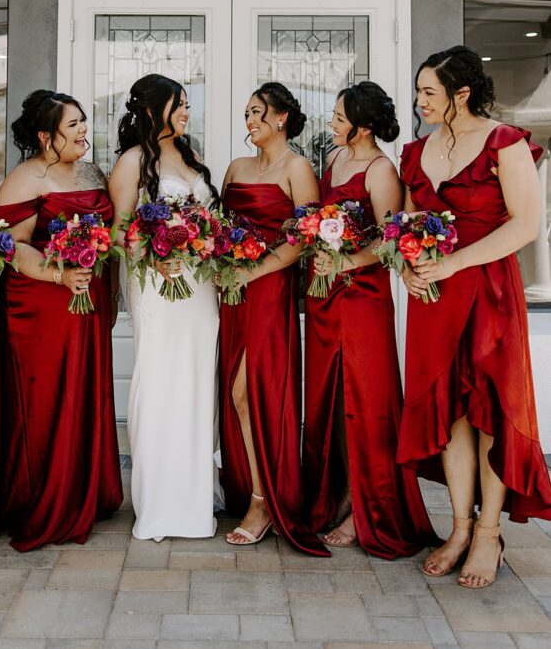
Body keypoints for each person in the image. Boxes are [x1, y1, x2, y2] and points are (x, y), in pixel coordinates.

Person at [398, 45, 551, 588]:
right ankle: (459, 528)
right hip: (434, 301)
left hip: (488, 292)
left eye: (429, 93)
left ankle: (489, 531)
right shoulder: (415, 152)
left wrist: (454, 262)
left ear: (462, 94)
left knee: (488, 409)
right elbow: (409, 226)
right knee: (450, 413)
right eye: (418, 92)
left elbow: (526, 225)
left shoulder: (504, 143)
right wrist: (409, 268)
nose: (419, 103)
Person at [303, 82, 436, 558]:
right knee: (331, 400)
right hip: (324, 297)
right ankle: (340, 492)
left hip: (362, 298)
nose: (332, 125)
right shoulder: (336, 160)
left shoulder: (381, 170)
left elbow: (389, 239)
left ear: (362, 125)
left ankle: (369, 509)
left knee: (366, 400)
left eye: (339, 118)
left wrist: (343, 263)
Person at [0, 89, 122, 550]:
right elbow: (13, 247)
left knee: (84, 390)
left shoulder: (90, 171)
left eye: (83, 122)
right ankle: (44, 496)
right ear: (46, 136)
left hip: (88, 298)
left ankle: (86, 488)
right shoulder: (24, 179)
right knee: (48, 397)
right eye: (74, 126)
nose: (84, 131)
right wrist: (59, 274)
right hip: (43, 303)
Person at [108, 74, 220, 541]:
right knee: (161, 381)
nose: (186, 113)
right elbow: (118, 231)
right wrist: (156, 254)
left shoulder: (190, 155)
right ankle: (161, 503)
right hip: (159, 286)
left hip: (201, 288)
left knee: (198, 383)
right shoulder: (133, 162)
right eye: (179, 105)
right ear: (155, 110)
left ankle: (196, 495)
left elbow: (211, 220)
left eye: (188, 105)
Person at [219, 82, 327, 555]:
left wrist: (254, 270)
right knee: (233, 392)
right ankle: (249, 488)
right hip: (231, 290)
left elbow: (305, 237)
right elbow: (219, 226)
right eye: (247, 114)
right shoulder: (236, 167)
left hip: (267, 290)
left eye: (258, 113)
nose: (250, 122)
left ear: (282, 117)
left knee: (250, 391)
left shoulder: (298, 167)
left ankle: (265, 502)